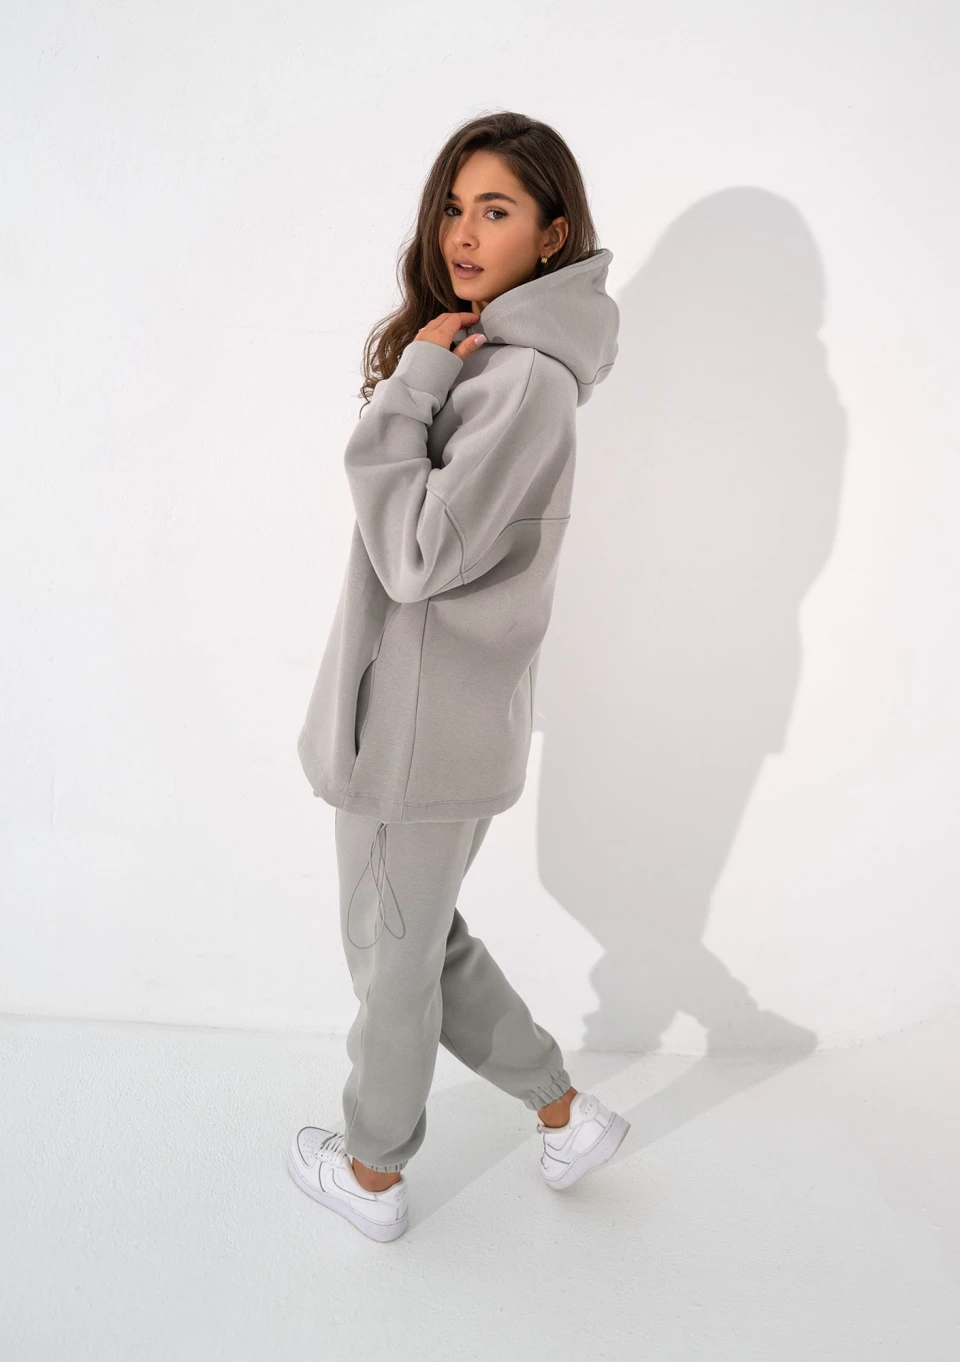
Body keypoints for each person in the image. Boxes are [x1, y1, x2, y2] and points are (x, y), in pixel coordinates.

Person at [286, 111, 629, 1241]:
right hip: (444, 718)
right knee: (420, 942)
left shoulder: (516, 379)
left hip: (418, 730)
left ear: (553, 233)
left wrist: (415, 381)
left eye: (497, 210)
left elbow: (415, 555)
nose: (465, 234)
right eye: (453, 207)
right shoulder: (510, 365)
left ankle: (373, 1174)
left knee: (390, 960)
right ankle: (565, 1115)